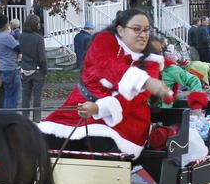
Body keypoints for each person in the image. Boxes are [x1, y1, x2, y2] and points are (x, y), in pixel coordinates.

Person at [38, 8, 171, 158]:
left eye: (146, 30)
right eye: (136, 29)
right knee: (44, 138)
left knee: (98, 140)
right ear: (120, 30)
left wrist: (98, 108)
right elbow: (90, 81)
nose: (143, 35)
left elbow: (132, 101)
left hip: (124, 122)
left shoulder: (150, 63)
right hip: (79, 111)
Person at [17, 14, 48, 122]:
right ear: (35, 25)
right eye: (38, 23)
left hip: (25, 69)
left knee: (25, 95)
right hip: (37, 70)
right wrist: (45, 70)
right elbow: (42, 58)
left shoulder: (20, 36)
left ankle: (25, 118)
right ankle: (36, 118)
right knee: (37, 95)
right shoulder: (39, 39)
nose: (39, 25)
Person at [0, 13, 21, 109]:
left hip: (3, 68)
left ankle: (6, 115)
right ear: (6, 24)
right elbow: (19, 48)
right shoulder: (7, 37)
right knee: (14, 97)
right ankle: (11, 116)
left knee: (7, 95)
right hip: (11, 69)